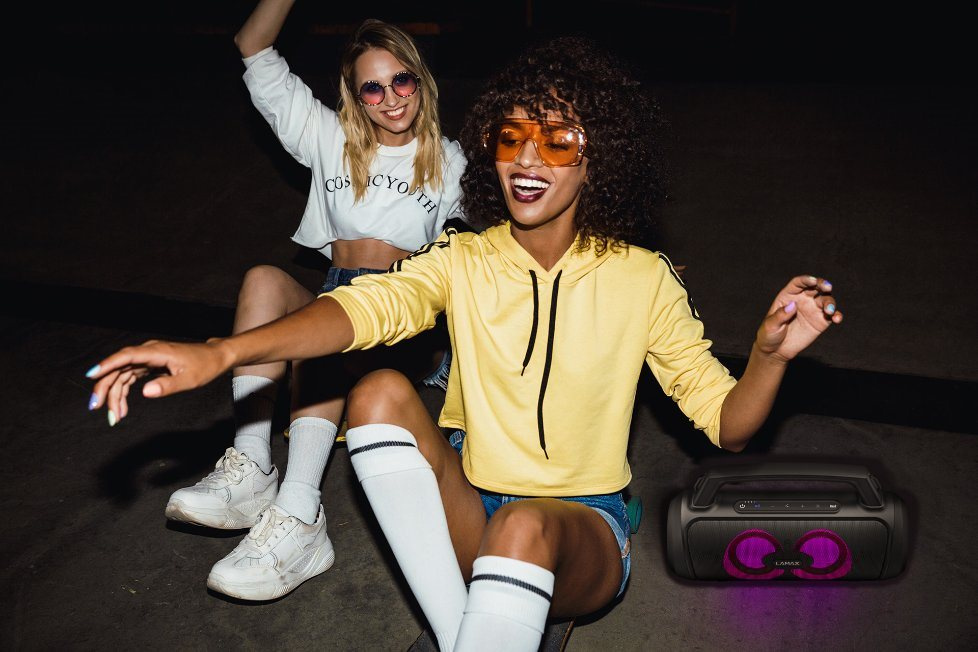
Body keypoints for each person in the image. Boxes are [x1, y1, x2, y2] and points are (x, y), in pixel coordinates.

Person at [88, 37, 842, 650]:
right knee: (378, 392)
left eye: (558, 141)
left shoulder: (642, 278)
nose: (528, 159)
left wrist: (769, 357)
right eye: (512, 137)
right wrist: (225, 352)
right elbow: (362, 308)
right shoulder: (464, 258)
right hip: (472, 505)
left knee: (523, 525)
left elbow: (729, 425)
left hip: (581, 525)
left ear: (598, 158)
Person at [92, 0, 465, 601]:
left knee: (329, 323)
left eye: (402, 80)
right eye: (372, 89)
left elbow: (506, 231)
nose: (391, 98)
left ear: (420, 79)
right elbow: (253, 45)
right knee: (265, 280)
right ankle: (252, 468)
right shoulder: (328, 136)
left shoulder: (449, 160)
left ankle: (301, 509)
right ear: (355, 98)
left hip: (399, 322)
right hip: (335, 294)